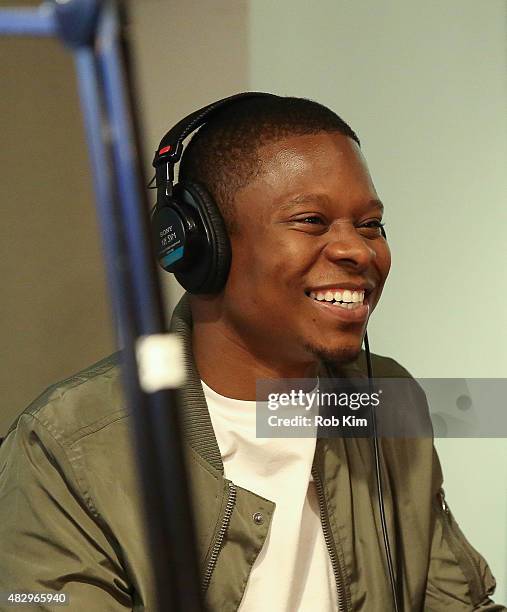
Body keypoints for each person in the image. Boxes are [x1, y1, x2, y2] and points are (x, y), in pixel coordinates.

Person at [0, 94, 503, 612]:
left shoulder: (384, 400)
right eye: (311, 220)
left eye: (370, 224)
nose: (358, 250)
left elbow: (453, 602)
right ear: (202, 247)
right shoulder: (65, 446)